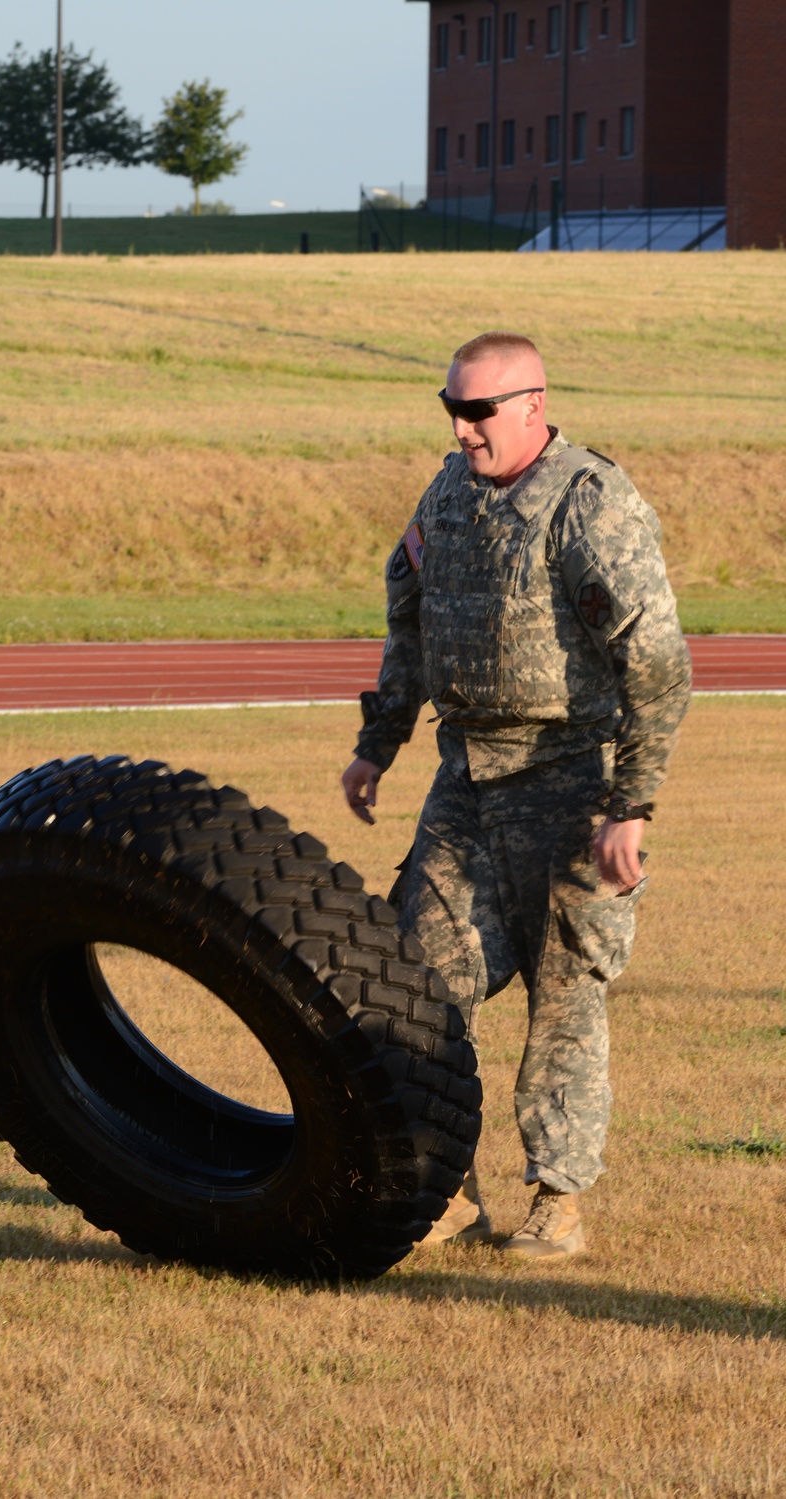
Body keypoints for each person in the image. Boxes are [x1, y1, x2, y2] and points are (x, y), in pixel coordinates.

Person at [341, 331, 691, 1258]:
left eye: (479, 411)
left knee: (565, 990)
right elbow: (407, 615)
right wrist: (379, 745)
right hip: (464, 782)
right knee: (414, 981)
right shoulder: (446, 496)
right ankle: (447, 1188)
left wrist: (631, 804)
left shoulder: (588, 503)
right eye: (451, 409)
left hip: (570, 781)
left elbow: (656, 663)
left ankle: (556, 1198)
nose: (462, 429)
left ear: (533, 404)